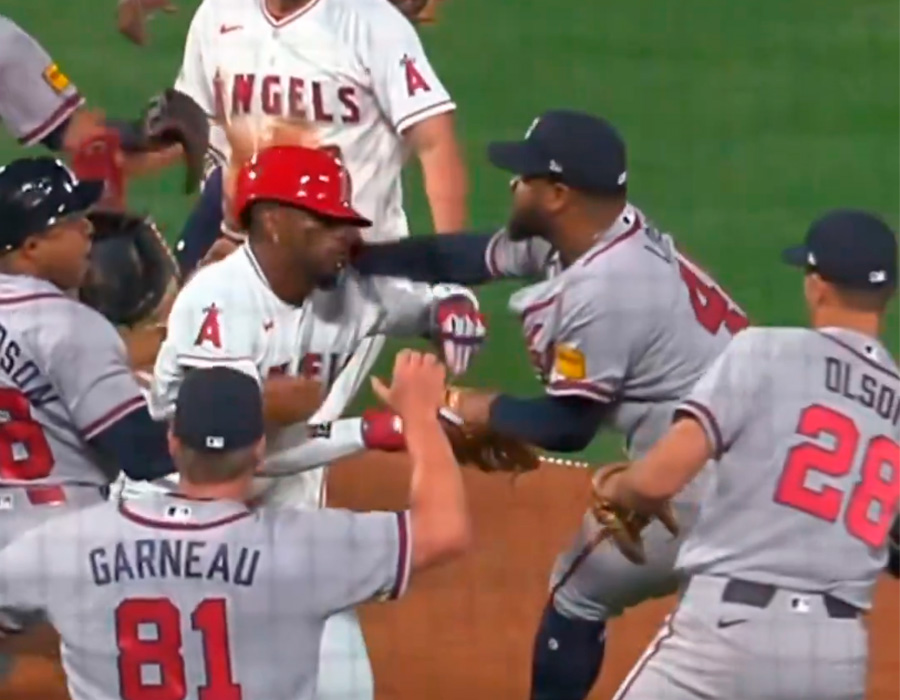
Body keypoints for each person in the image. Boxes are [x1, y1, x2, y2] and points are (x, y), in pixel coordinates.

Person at [352, 109, 751, 699]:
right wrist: (360, 257)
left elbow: (570, 427)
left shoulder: (605, 289)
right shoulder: (594, 236)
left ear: (559, 195)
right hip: (745, 442)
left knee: (577, 592)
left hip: (708, 473)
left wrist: (480, 408)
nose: (513, 183)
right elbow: (462, 257)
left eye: (526, 176)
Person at [130, 143, 484, 699]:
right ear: (273, 221)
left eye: (346, 222)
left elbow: (431, 298)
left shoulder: (350, 292)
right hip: (183, 510)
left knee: (342, 685)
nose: (345, 237)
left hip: (278, 508)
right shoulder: (219, 302)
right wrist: (374, 431)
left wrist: (453, 309)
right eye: (325, 222)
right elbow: (235, 455)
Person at [0, 356, 472, 700]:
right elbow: (444, 529)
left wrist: (76, 628)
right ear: (259, 449)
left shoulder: (68, 544)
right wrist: (419, 417)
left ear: (172, 442)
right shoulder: (306, 549)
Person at [594, 209, 899, 700]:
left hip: (729, 638)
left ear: (817, 285)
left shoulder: (764, 352)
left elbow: (656, 482)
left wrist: (615, 487)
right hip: (836, 657)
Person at [0, 156, 175, 680]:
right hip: (66, 548)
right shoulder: (70, 326)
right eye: (72, 221)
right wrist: (225, 414)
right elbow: (146, 456)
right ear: (31, 247)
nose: (88, 230)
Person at [171, 0, 468, 275]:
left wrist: (452, 272)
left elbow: (434, 141)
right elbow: (194, 125)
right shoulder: (217, 14)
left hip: (358, 264)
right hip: (251, 262)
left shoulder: (375, 24)